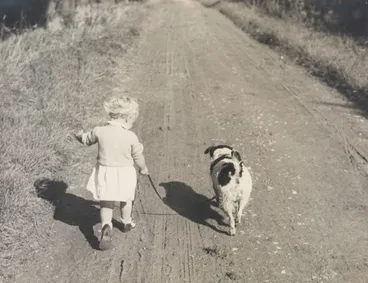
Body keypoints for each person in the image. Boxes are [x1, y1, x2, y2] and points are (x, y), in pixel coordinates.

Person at [75, 96, 149, 251]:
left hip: (105, 172)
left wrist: (79, 135)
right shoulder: (130, 136)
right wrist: (143, 168)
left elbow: (86, 140)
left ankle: (106, 225)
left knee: (106, 202)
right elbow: (138, 156)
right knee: (126, 199)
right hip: (125, 173)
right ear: (128, 117)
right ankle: (126, 222)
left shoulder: (100, 131)